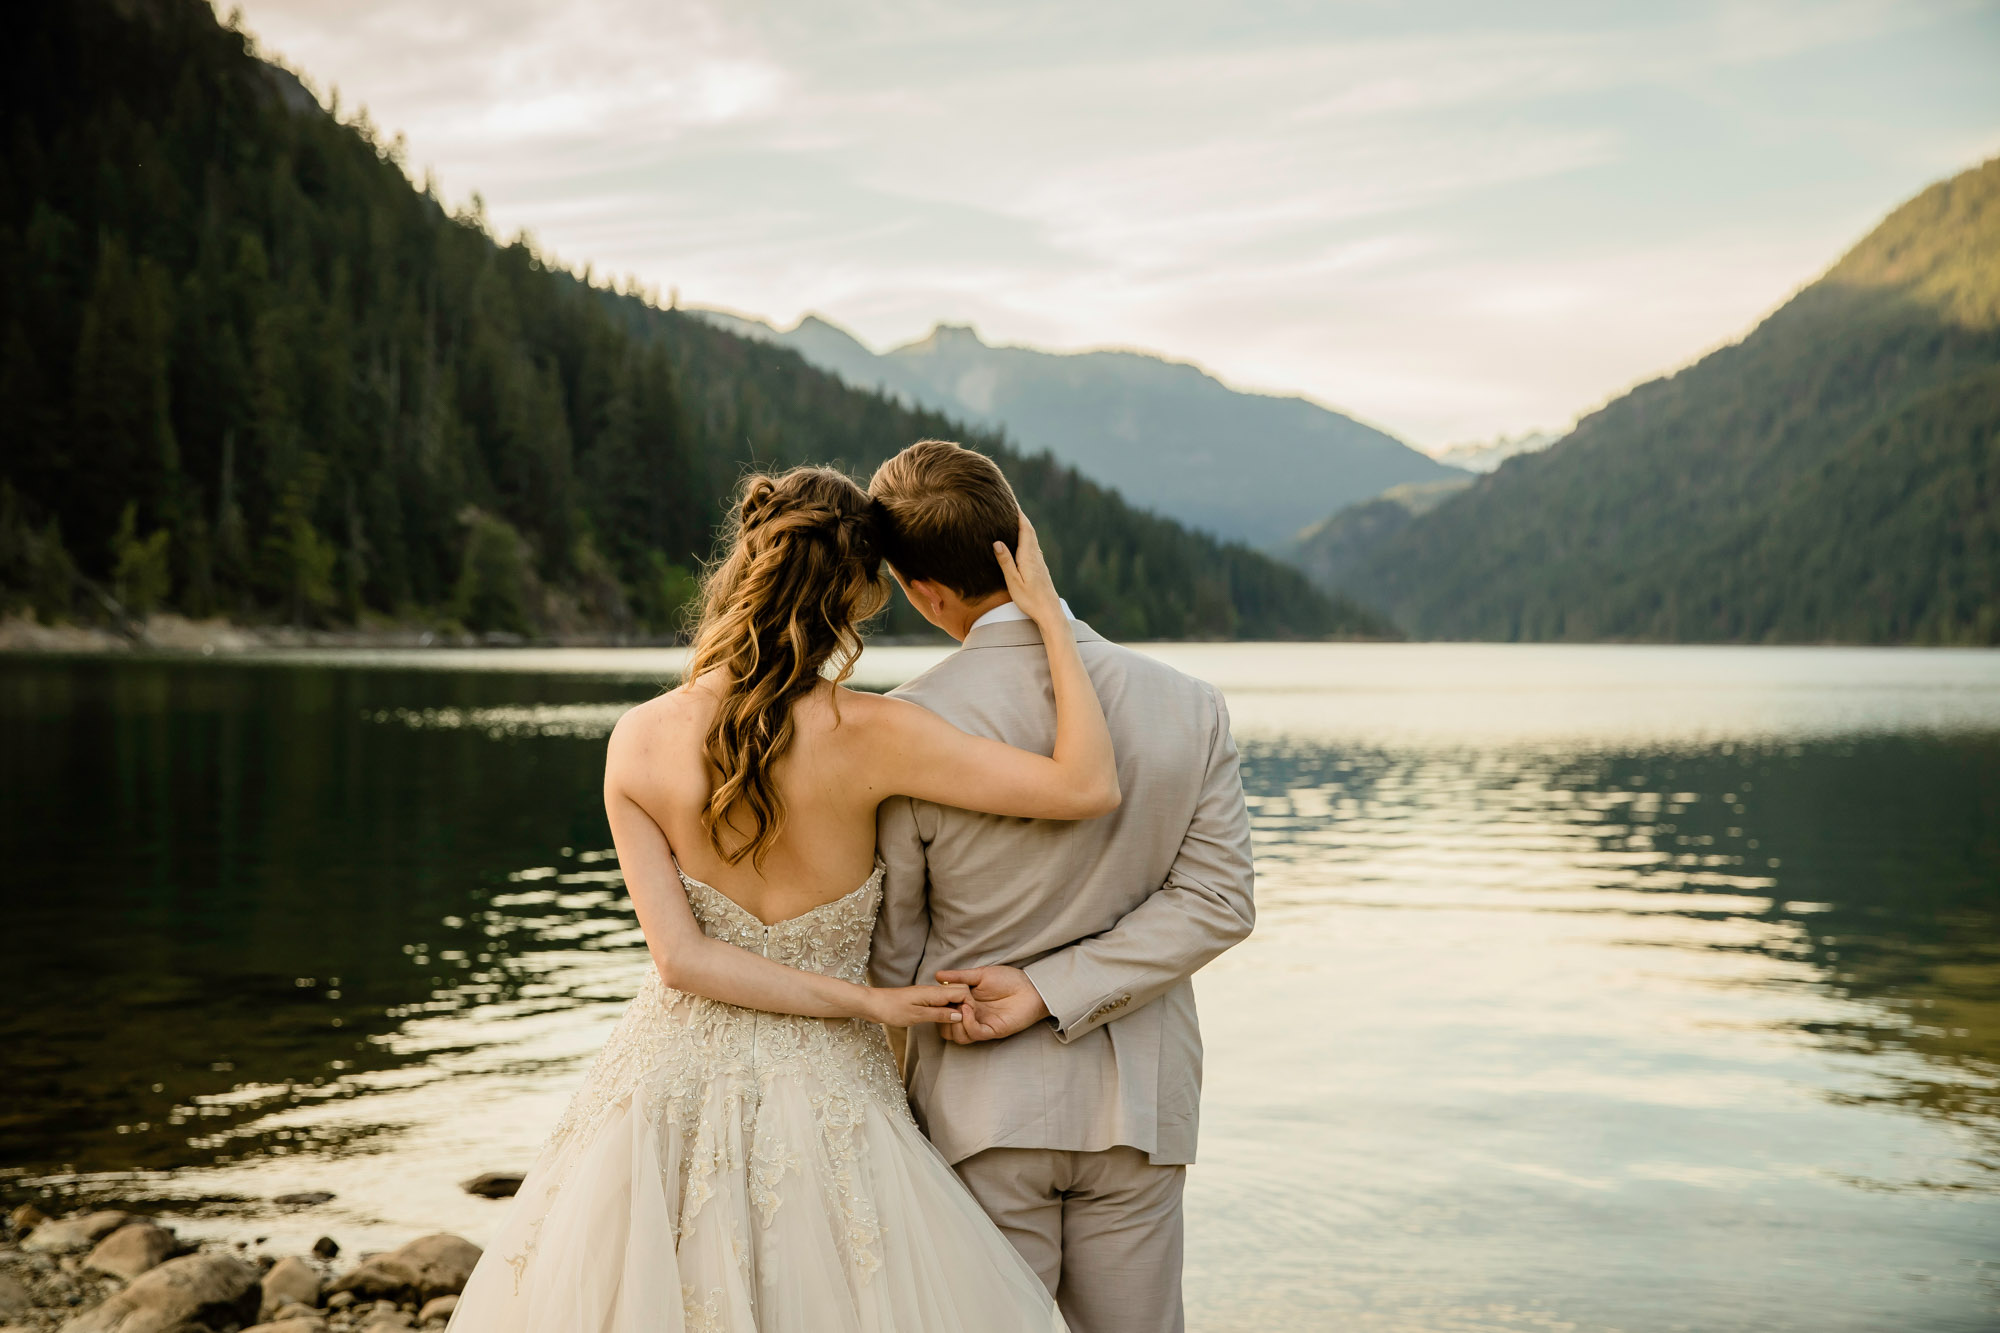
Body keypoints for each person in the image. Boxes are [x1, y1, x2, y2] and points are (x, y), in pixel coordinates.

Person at [450, 463, 1110, 1332]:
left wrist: (868, 1000)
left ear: (742, 568)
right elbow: (1086, 785)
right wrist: (1049, 618)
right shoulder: (878, 733)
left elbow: (681, 961)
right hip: (831, 1088)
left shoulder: (637, 739)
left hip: (663, 1089)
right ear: (862, 595)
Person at [867, 440, 1255, 1333]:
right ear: (1022, 536)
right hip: (1141, 1107)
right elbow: (1219, 901)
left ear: (922, 591)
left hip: (976, 1100)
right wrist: (1053, 989)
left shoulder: (905, 724)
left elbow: (896, 947)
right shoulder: (1189, 702)